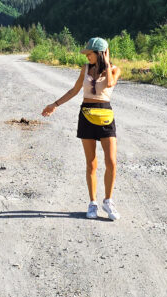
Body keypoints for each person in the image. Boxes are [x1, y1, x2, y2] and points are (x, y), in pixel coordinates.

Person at [41, 37, 122, 220]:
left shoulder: (115, 69)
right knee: (91, 163)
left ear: (100, 54)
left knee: (111, 162)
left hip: (105, 115)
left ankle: (108, 201)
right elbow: (74, 90)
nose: (86, 57)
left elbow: (109, 83)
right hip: (86, 114)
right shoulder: (85, 69)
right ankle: (92, 203)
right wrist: (55, 104)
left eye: (89, 53)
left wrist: (107, 63)